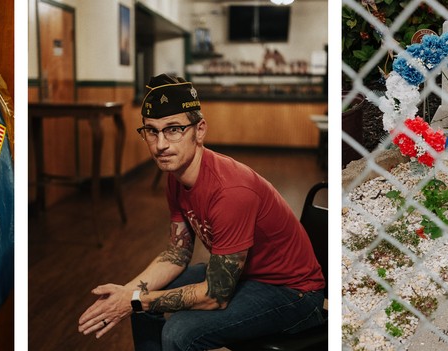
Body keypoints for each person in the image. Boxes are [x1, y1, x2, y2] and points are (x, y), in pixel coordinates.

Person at [76, 73, 326, 351]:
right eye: (151, 130)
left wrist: (134, 299)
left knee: (179, 331)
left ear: (200, 130)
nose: (160, 145)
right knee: (141, 304)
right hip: (245, 275)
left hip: (294, 293)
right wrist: (126, 293)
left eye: (173, 129)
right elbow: (177, 253)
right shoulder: (176, 175)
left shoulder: (231, 191)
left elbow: (216, 295)